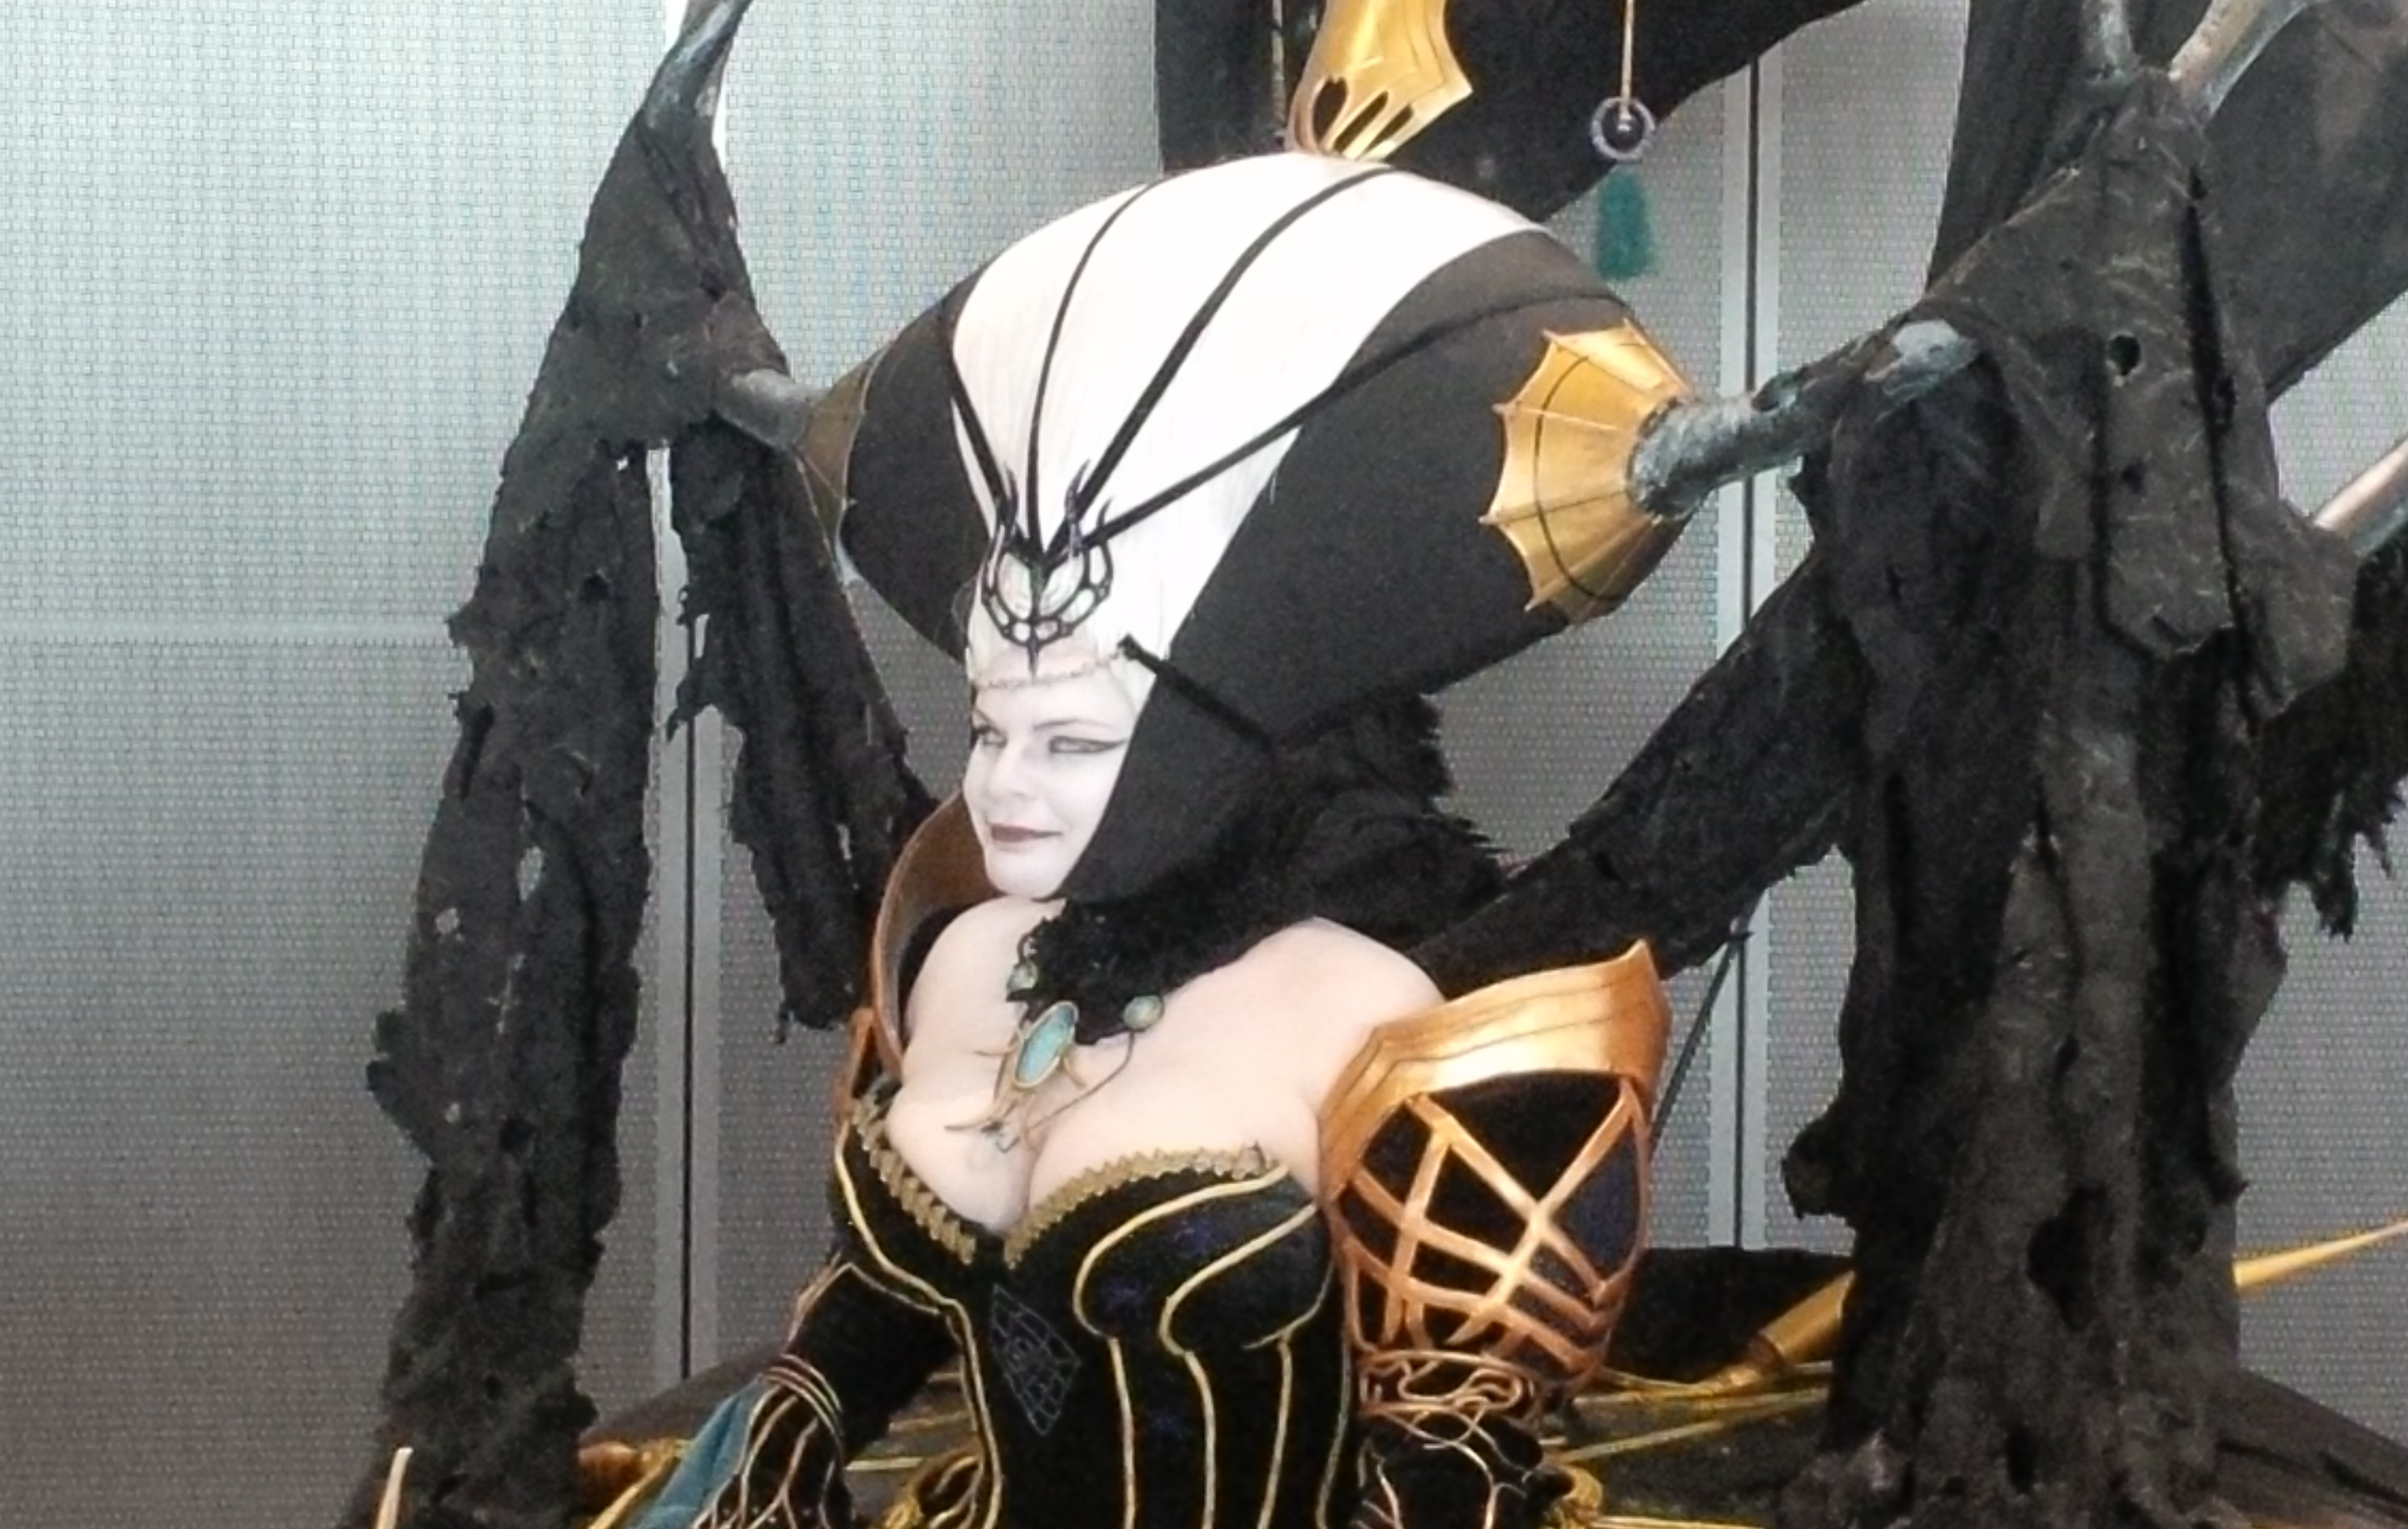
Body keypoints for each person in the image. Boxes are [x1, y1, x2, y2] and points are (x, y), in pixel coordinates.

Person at [628, 149, 1696, 1529]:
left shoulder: (1366, 1009)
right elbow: (890, 1296)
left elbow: (1459, 1432)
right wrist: (801, 1410)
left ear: (1215, 757)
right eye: (990, 729)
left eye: (1072, 742)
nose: (1004, 787)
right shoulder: (971, 951)